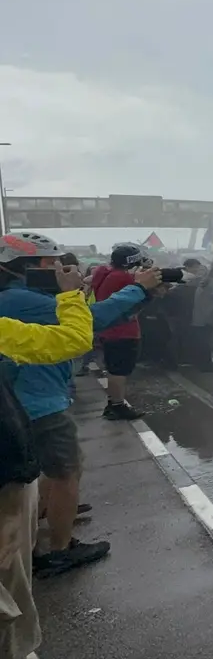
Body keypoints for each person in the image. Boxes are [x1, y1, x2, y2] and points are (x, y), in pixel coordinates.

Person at [0, 231, 161, 578]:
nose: (62, 268)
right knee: (67, 471)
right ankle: (59, 549)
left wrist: (143, 296)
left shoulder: (27, 295)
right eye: (53, 263)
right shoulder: (19, 299)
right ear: (26, 267)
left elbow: (85, 315)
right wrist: (138, 288)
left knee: (42, 472)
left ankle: (45, 516)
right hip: (38, 404)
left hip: (34, 397)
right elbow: (92, 323)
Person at [0, 261, 94, 659]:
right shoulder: (18, 310)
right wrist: (72, 294)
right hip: (8, 460)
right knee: (10, 578)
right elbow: (72, 339)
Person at [91, 243, 151, 419]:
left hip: (109, 330)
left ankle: (114, 403)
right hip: (122, 331)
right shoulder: (123, 279)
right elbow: (144, 293)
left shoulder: (105, 274)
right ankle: (117, 406)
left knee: (114, 369)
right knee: (119, 371)